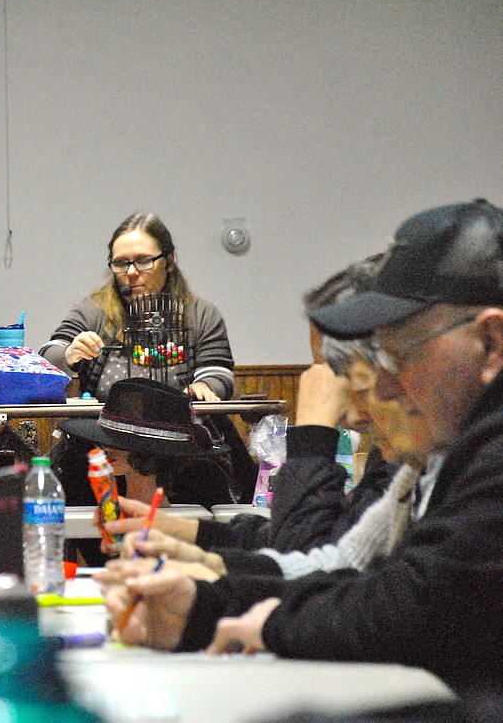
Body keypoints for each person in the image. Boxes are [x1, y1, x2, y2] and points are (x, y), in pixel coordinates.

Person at [105, 198, 503, 695]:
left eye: (400, 357)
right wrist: (203, 601)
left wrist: (232, 607)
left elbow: (417, 602)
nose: (380, 393)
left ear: (491, 343)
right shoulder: (444, 453)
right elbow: (355, 571)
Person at [105, 255, 397, 558]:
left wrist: (313, 434)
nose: (338, 404)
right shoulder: (396, 464)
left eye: (334, 374)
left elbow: (308, 555)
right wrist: (187, 532)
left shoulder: (420, 468)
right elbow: (318, 542)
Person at [40, 211, 234, 403]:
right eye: (121, 263)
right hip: (103, 429)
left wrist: (205, 386)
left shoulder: (201, 314)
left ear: (169, 261)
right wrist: (70, 354)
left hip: (181, 426)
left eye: (143, 261)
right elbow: (48, 356)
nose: (131, 272)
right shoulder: (94, 310)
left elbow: (218, 372)